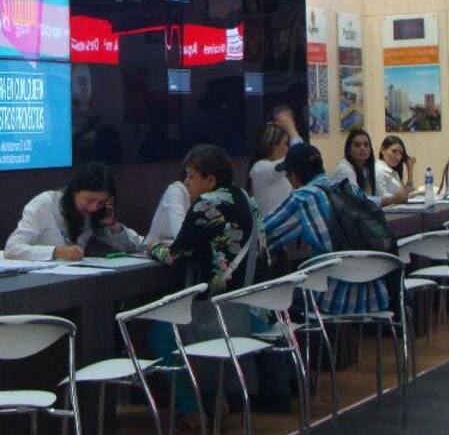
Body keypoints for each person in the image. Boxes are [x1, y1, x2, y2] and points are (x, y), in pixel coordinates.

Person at [149, 145, 265, 419]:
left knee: (159, 335)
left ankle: (194, 408)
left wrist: (152, 247)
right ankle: (216, 397)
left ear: (210, 180)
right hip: (250, 310)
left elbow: (175, 255)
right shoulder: (248, 200)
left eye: (191, 176)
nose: (186, 182)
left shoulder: (206, 204)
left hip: (216, 315)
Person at [263, 144, 389, 314]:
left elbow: (262, 236)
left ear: (294, 175)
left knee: (275, 295)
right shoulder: (351, 189)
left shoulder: (303, 198)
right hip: (375, 297)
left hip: (330, 300)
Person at [4, 162, 144, 260]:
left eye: (101, 203)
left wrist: (113, 225)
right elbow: (12, 249)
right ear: (74, 191)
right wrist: (56, 252)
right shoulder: (45, 204)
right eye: (89, 200)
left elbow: (137, 246)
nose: (93, 207)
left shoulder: (96, 214)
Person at [247, 106, 301, 215]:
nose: (288, 148)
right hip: (275, 225)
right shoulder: (260, 169)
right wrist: (291, 128)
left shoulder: (277, 172)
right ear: (274, 146)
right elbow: (298, 155)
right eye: (285, 144)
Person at [147, 172, 191, 248]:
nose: (187, 181)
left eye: (191, 177)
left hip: (180, 248)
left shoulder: (209, 199)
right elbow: (181, 237)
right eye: (189, 176)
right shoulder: (176, 191)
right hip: (154, 249)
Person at [375, 135, 416, 204]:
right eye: (393, 151)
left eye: (401, 153)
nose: (397, 157)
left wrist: (410, 169)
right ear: (382, 150)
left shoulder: (391, 171)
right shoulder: (378, 170)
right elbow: (382, 199)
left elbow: (408, 194)